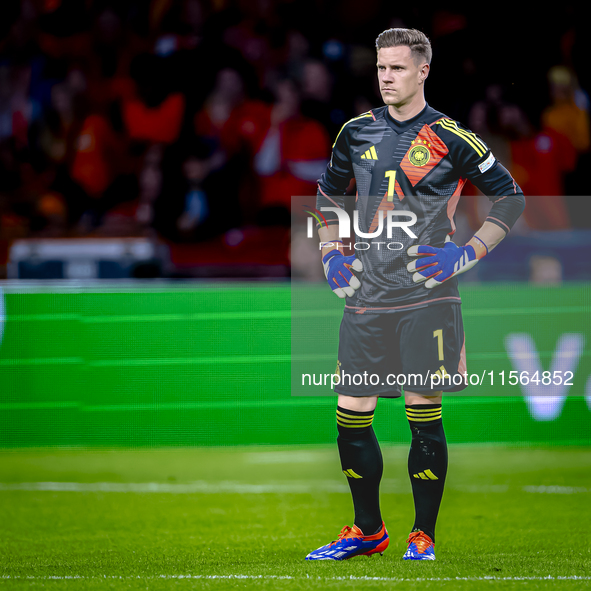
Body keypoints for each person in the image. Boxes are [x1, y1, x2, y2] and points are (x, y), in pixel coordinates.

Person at [306, 28, 525, 562]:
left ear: (423, 71)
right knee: (350, 411)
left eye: (398, 68)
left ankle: (421, 534)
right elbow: (327, 196)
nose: (386, 77)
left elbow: (510, 200)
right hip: (366, 297)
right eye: (381, 68)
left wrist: (464, 254)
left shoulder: (453, 138)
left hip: (428, 296)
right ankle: (366, 530)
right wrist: (331, 253)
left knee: (421, 409)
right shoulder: (354, 132)